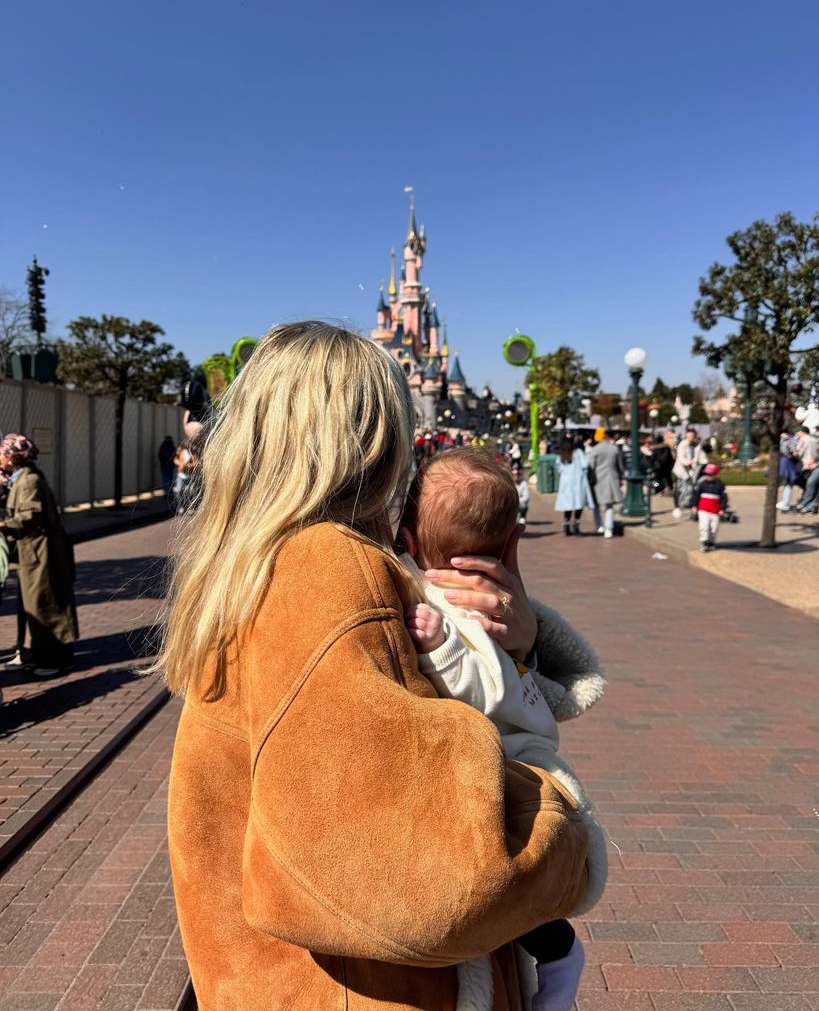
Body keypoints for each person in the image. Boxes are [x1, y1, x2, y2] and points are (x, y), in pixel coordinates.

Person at [157, 322, 596, 1011]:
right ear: (372, 444)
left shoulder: (251, 567)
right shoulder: (328, 571)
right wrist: (560, 818)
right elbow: (434, 888)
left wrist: (514, 645)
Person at [398, 449, 607, 1011]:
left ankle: (560, 954)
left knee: (509, 876)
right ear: (510, 541)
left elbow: (487, 684)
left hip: (516, 754)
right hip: (506, 748)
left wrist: (441, 648)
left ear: (411, 543)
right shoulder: (483, 597)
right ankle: (557, 953)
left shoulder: (455, 607)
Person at [0, 434, 79, 676]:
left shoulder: (29, 482)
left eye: (2, 453)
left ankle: (52, 660)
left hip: (41, 552)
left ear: (13, 457)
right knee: (33, 602)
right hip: (34, 552)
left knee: (45, 603)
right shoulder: (22, 479)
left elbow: (29, 517)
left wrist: (4, 525)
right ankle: (31, 653)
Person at [586, 430, 624, 539]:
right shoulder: (614, 449)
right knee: (609, 505)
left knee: (596, 504)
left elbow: (590, 466)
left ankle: (599, 525)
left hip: (598, 480)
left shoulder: (595, 450)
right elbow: (620, 466)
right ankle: (608, 528)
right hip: (612, 479)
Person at [554, 437, 593, 535]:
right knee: (578, 504)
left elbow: (559, 469)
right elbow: (585, 464)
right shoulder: (578, 453)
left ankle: (566, 525)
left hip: (566, 483)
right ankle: (576, 525)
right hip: (578, 482)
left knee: (568, 505)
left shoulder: (561, 456)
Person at [689, 462, 729, 552]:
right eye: (706, 474)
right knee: (704, 526)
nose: (708, 476)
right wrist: (694, 505)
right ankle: (704, 542)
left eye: (710, 474)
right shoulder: (702, 484)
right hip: (703, 510)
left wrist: (723, 508)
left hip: (715, 510)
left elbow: (724, 498)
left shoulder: (720, 485)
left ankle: (711, 542)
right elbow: (696, 495)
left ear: (715, 475)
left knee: (714, 528)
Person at [672, 428, 707, 518]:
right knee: (678, 488)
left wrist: (704, 462)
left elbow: (702, 456)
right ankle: (677, 507)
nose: (690, 438)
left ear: (695, 436)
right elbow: (681, 457)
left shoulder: (697, 446)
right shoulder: (682, 444)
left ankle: (691, 505)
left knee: (692, 488)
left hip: (692, 470)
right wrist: (689, 462)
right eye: (688, 436)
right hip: (680, 470)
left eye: (692, 436)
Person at [793, 427, 819, 514]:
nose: (816, 432)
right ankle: (810, 505)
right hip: (813, 465)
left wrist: (795, 451)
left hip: (810, 465)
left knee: (810, 483)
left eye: (818, 430)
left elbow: (798, 453)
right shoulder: (815, 439)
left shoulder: (804, 439)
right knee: (812, 484)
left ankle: (805, 505)